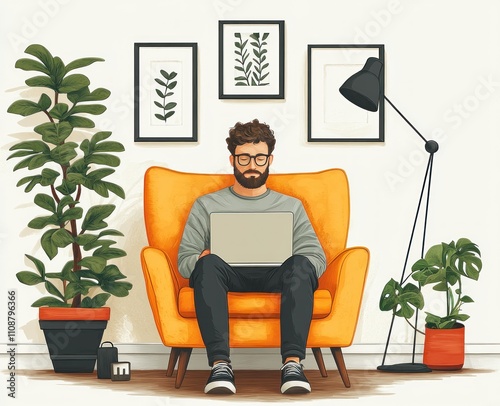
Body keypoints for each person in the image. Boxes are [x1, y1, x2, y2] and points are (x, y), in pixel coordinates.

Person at [178, 119, 326, 394]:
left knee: (301, 264)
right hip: (226, 276)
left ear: (270, 159)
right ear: (232, 159)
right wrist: (202, 256)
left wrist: (294, 258)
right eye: (244, 157)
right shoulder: (206, 204)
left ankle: (292, 364)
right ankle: (220, 365)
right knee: (206, 264)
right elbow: (185, 262)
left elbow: (316, 257)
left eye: (259, 157)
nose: (252, 164)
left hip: (276, 274)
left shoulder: (291, 206)